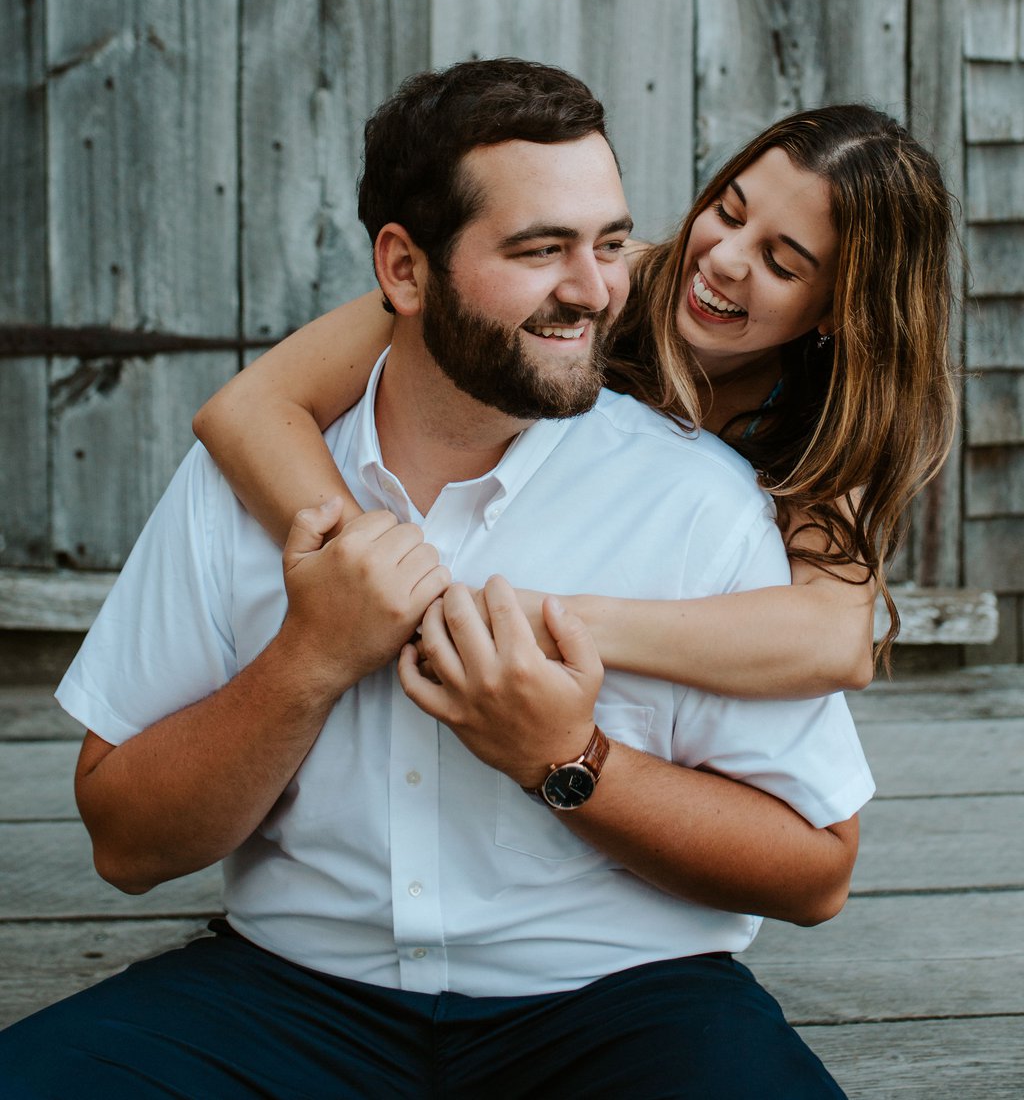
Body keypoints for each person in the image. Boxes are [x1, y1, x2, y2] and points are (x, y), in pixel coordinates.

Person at [0, 59, 873, 1099]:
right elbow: (124, 842)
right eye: (540, 248)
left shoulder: (711, 503)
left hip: (623, 1001)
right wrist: (309, 657)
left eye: (607, 243)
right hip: (293, 991)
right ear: (404, 270)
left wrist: (565, 755)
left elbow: (817, 859)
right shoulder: (251, 479)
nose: (597, 288)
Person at [194, 100, 958, 699]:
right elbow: (248, 409)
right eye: (729, 211)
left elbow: (834, 641)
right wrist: (376, 580)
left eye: (781, 263)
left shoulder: (824, 417)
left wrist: (554, 619)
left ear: (838, 311)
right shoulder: (590, 287)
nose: (724, 259)